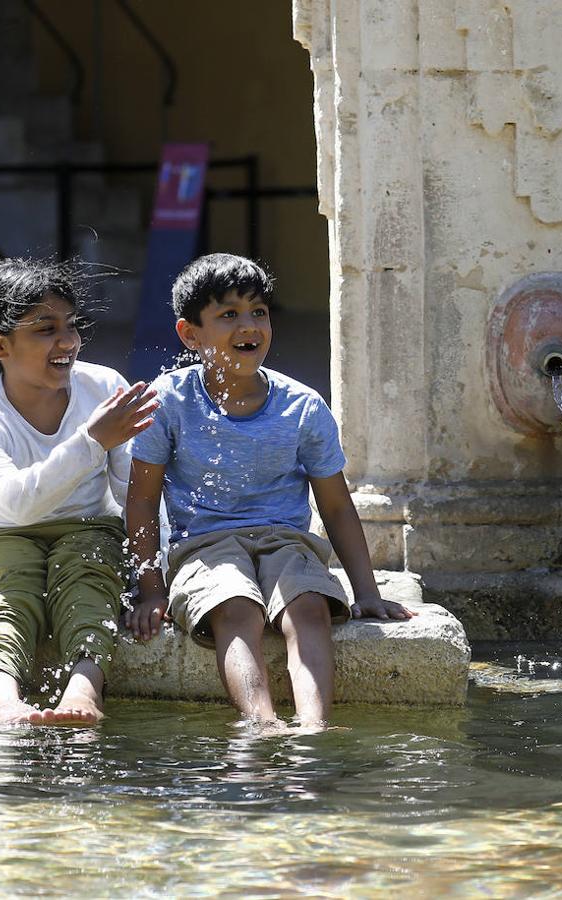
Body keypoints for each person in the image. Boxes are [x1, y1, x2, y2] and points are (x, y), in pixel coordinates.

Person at [124, 253, 414, 730]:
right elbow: (140, 501)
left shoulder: (302, 406)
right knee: (236, 611)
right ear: (189, 334)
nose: (249, 325)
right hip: (205, 547)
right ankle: (261, 725)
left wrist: (366, 591)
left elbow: (336, 504)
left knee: (309, 610)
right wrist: (151, 590)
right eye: (229, 314)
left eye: (258, 312)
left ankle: (314, 731)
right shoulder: (170, 401)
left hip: (286, 541)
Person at [0, 258, 159, 725]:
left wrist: (151, 583)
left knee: (90, 582)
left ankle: (84, 691)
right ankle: (4, 703)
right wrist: (91, 441)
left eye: (72, 326)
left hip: (90, 527)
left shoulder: (103, 388)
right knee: (8, 598)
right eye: (45, 329)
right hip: (0, 534)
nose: (68, 342)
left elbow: (132, 494)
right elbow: (17, 505)